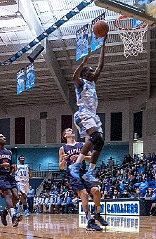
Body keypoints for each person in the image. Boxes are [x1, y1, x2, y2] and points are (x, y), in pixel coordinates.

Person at [69, 35, 107, 184]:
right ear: (85, 74)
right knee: (96, 137)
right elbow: (74, 76)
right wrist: (82, 64)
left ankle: (90, 172)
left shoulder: (92, 83)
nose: (93, 73)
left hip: (93, 115)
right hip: (83, 113)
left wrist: (103, 46)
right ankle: (76, 165)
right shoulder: (81, 83)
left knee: (100, 142)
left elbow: (100, 67)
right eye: (90, 71)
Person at [59, 128, 108, 231]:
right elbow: (61, 167)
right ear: (65, 135)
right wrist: (64, 160)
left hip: (83, 173)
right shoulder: (63, 148)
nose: (71, 130)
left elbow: (92, 158)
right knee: (84, 194)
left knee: (96, 191)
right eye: (68, 130)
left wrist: (81, 157)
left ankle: (97, 214)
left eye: (71, 129)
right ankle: (90, 221)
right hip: (72, 175)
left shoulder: (82, 145)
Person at [0, 133, 20, 227]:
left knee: (16, 197)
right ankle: (13, 216)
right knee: (8, 194)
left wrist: (13, 167)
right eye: (1, 137)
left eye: (4, 136)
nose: (4, 137)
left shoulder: (9, 152)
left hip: (9, 176)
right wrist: (1, 165)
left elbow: (10, 166)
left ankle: (4, 213)